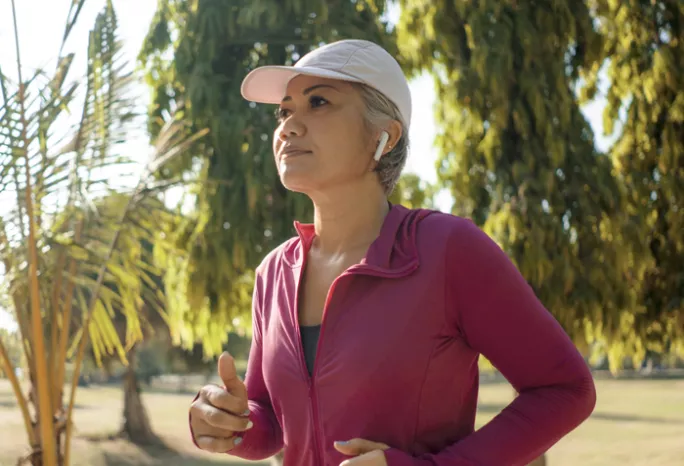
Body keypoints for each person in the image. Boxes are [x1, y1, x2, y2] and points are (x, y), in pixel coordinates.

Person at [188, 39, 597, 466]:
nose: (288, 126)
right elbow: (271, 423)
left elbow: (566, 390)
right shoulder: (273, 272)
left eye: (319, 102)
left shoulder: (448, 250)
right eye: (285, 110)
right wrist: (225, 421)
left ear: (384, 135)